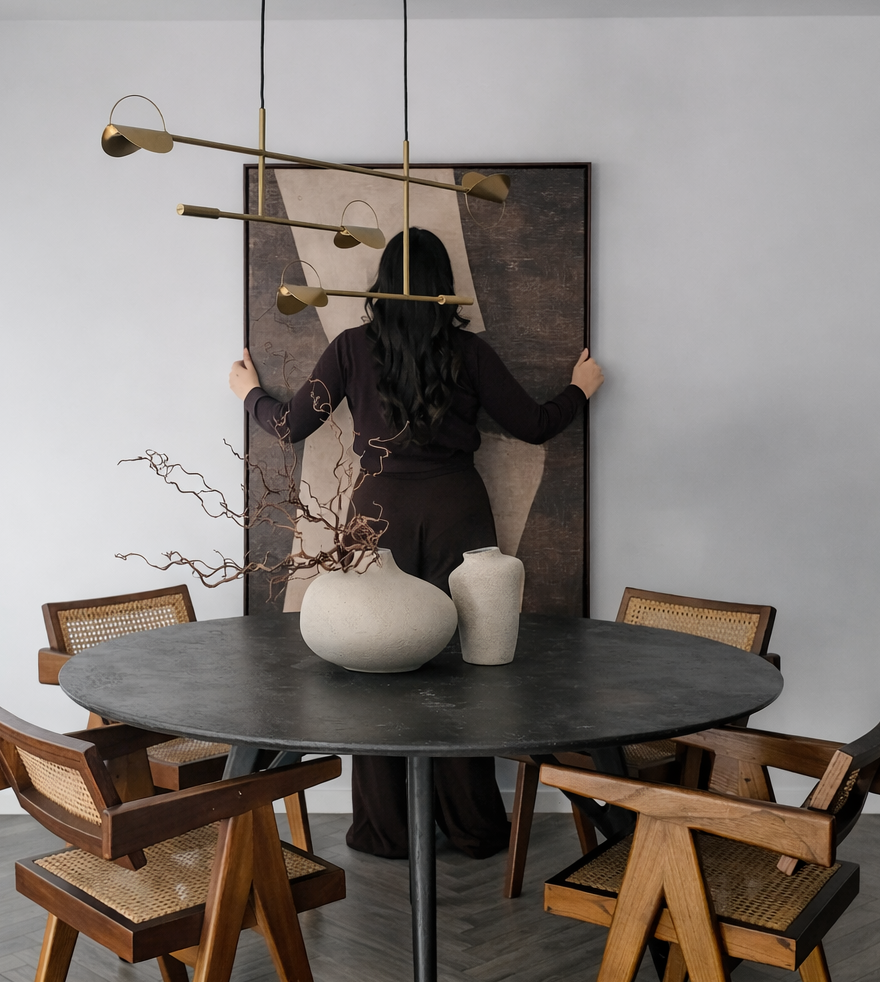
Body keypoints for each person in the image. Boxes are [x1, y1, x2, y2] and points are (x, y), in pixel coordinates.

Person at [229, 227, 604, 860]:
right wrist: (581, 387)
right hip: (461, 513)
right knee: (467, 669)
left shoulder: (350, 348)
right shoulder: (470, 353)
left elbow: (291, 427)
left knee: (374, 667)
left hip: (375, 518)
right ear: (442, 287)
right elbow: (535, 425)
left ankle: (386, 830)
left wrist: (248, 394)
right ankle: (474, 826)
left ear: (378, 281)